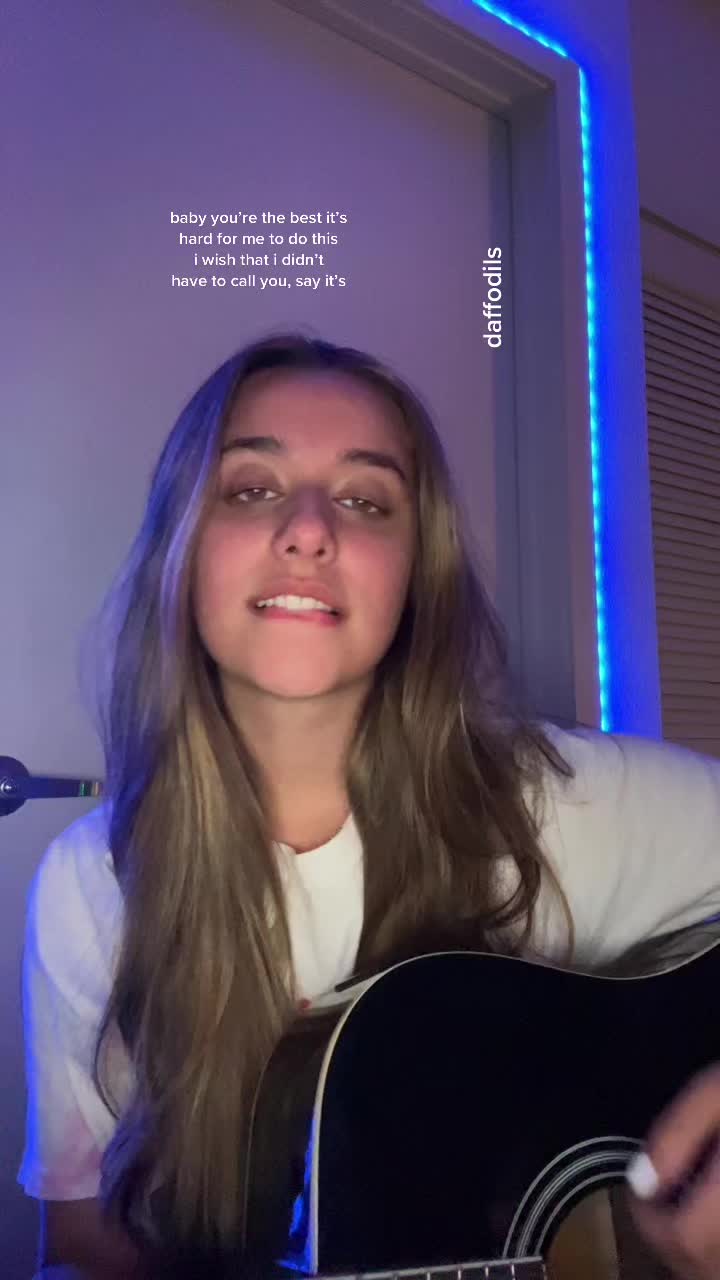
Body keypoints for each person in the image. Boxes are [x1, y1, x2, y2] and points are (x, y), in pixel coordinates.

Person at [17, 331, 720, 1280]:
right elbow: (81, 1243)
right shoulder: (93, 891)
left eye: (364, 500)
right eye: (252, 488)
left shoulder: (559, 809)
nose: (310, 530)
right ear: (180, 555)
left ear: (416, 578)